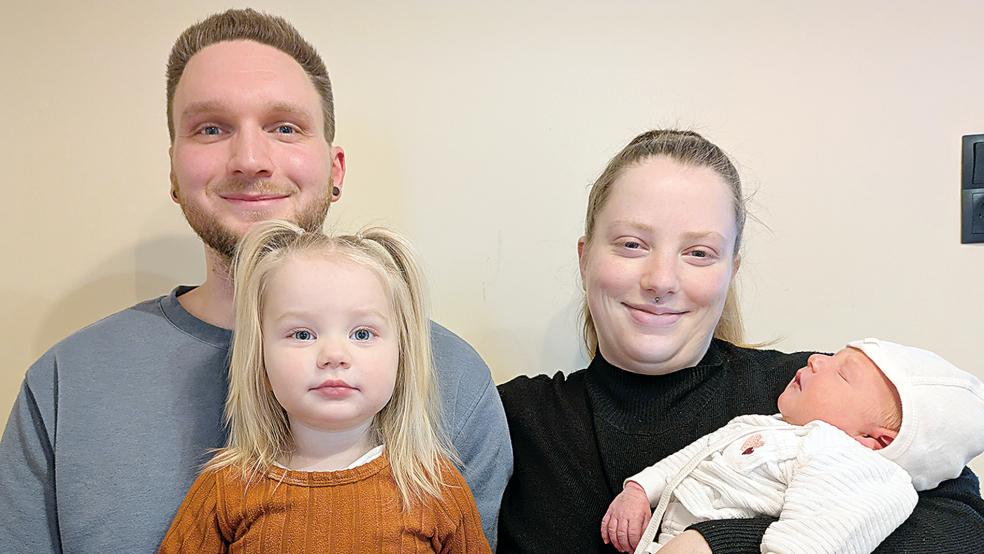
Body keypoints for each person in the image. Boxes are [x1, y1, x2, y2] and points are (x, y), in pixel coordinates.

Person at [0, 9, 510, 553]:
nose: (249, 159)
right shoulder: (64, 385)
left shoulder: (453, 380)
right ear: (174, 172)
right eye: (211, 129)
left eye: (284, 127)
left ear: (335, 169)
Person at [496, 129, 984, 553]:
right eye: (632, 244)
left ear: (731, 272)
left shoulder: (810, 400)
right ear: (585, 259)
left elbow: (964, 533)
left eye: (700, 252)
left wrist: (724, 543)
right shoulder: (508, 419)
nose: (661, 279)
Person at [159, 220, 490, 552]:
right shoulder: (227, 489)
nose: (333, 355)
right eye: (302, 334)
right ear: (258, 356)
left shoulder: (435, 489)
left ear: (403, 355)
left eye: (362, 334)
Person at [602, 338, 984, 553]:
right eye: (832, 357)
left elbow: (818, 539)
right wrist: (640, 489)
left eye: (842, 374)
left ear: (871, 440)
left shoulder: (853, 464)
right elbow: (694, 456)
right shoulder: (769, 425)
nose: (817, 360)